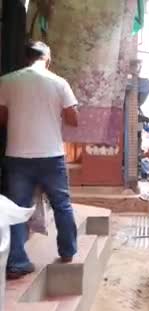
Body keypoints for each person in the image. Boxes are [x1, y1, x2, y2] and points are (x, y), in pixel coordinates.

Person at [0, 41, 80, 279]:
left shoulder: (7, 80)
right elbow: (73, 118)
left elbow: (2, 119)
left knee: (17, 209)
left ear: (26, 58)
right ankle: (67, 251)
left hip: (17, 156)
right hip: (51, 156)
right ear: (48, 58)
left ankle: (17, 262)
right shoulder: (59, 82)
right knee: (62, 205)